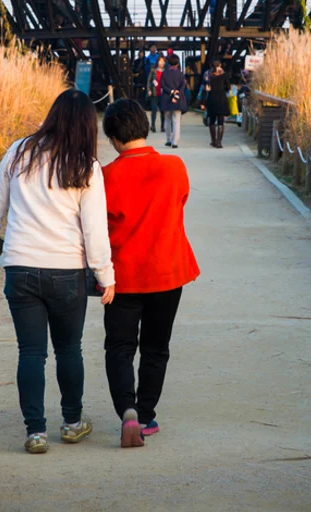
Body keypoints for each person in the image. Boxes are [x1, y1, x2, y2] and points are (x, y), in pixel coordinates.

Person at [0, 89, 116, 454]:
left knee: (30, 353)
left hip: (20, 267)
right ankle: (71, 423)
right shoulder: (86, 166)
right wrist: (105, 275)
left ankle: (35, 432)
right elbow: (94, 229)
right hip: (66, 270)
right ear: (87, 125)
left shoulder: (20, 151)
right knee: (69, 349)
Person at [100, 99, 200, 447]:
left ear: (113, 136)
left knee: (119, 346)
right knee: (157, 347)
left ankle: (126, 409)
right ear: (144, 126)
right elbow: (180, 202)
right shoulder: (174, 167)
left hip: (123, 275)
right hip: (167, 271)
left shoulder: (106, 176)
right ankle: (145, 415)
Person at [160, 54, 188, 148]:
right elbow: (183, 86)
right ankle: (175, 142)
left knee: (167, 120)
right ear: (177, 63)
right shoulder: (180, 74)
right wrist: (177, 93)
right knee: (176, 121)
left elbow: (163, 86)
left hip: (166, 98)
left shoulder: (164, 73)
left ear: (168, 63)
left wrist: (171, 91)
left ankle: (168, 140)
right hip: (178, 99)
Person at [203, 61, 231, 148]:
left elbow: (205, 88)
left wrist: (203, 102)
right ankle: (219, 142)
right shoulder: (224, 75)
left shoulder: (208, 75)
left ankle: (213, 141)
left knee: (212, 120)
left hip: (211, 98)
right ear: (220, 66)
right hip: (222, 99)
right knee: (220, 121)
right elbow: (228, 87)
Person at [146, 55, 165, 133]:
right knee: (154, 109)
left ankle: (162, 126)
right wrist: (148, 89)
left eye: (163, 61)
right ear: (157, 61)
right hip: (154, 92)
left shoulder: (166, 70)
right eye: (160, 61)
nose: (161, 63)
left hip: (163, 93)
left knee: (162, 110)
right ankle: (153, 125)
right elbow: (149, 81)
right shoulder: (153, 70)